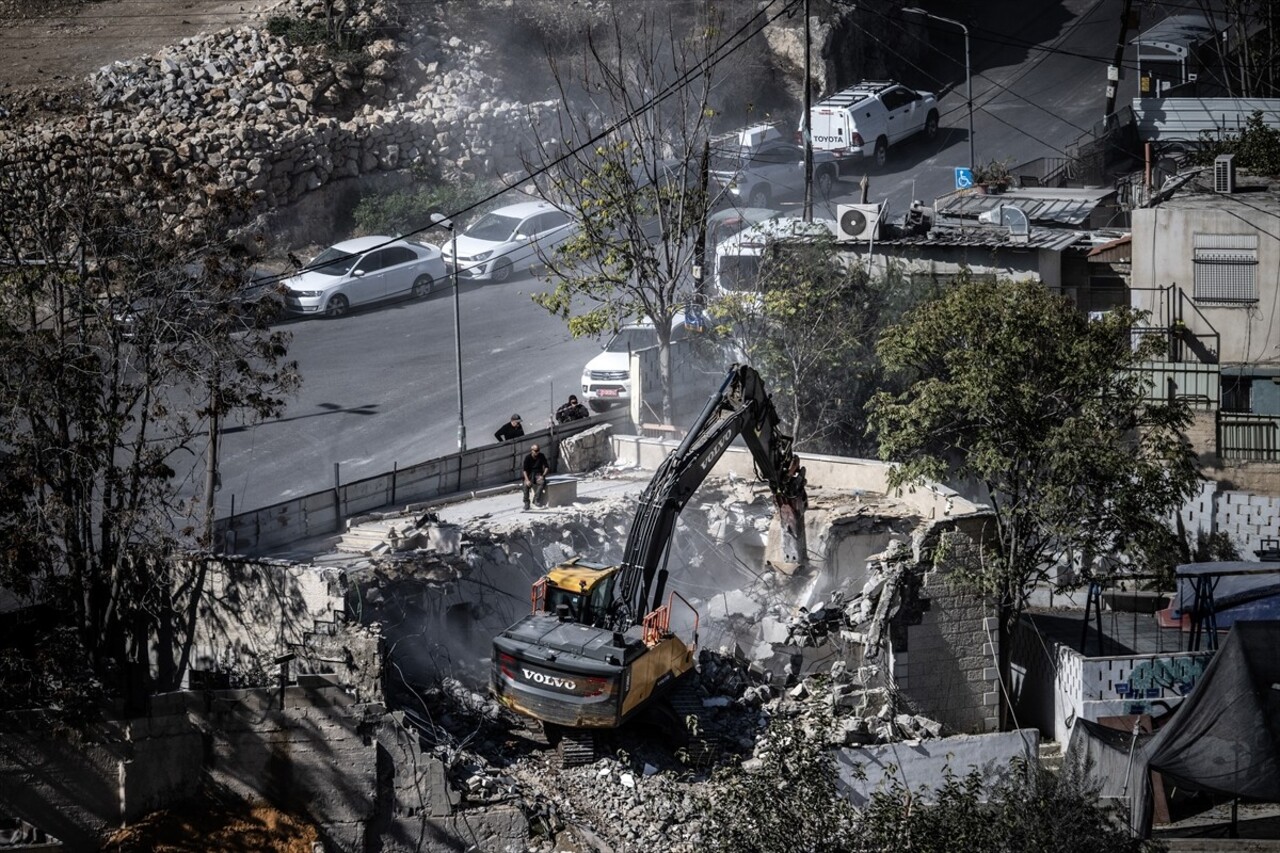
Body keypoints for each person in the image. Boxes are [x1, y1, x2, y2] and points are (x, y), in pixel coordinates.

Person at [522, 443, 550, 510]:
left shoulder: (541, 456)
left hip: (538, 474)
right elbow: (524, 470)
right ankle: (526, 503)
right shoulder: (527, 457)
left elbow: (547, 467)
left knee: (542, 482)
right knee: (525, 485)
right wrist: (527, 480)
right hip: (530, 475)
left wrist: (543, 476)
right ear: (532, 450)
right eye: (535, 451)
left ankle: (536, 499)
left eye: (538, 450)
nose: (537, 452)